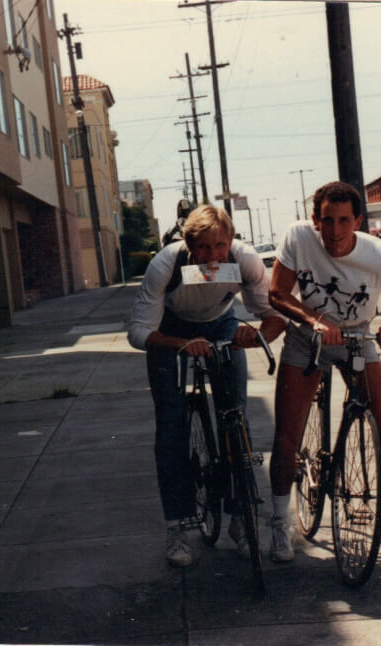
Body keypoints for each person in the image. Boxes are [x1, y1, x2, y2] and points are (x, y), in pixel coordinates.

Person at [266, 180, 381, 563]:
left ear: (358, 221)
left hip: (357, 338)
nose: (334, 232)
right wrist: (315, 320)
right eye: (326, 221)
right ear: (314, 220)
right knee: (287, 433)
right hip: (308, 339)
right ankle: (278, 523)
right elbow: (277, 295)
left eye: (343, 221)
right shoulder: (298, 238)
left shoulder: (380, 256)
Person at [128, 204, 286, 567]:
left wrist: (256, 335)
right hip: (170, 328)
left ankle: (240, 519)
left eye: (220, 247)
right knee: (170, 426)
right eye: (203, 248)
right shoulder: (165, 265)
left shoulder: (245, 260)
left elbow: (274, 315)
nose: (213, 256)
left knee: (236, 420)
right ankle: (177, 528)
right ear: (189, 245)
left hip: (220, 323)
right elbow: (138, 332)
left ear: (231, 241)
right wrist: (181, 345)